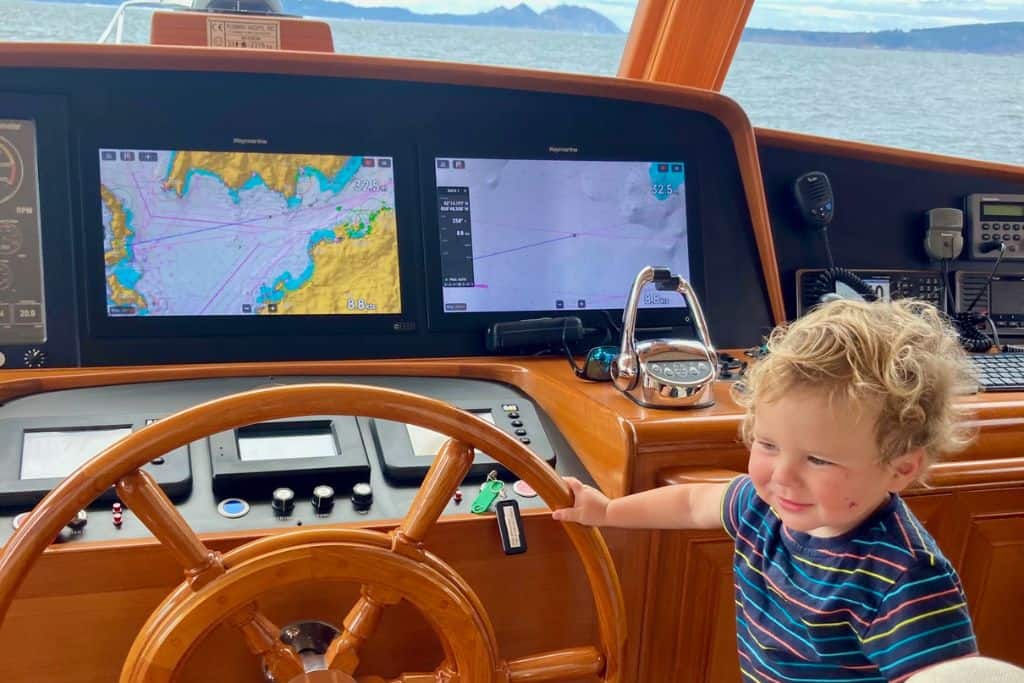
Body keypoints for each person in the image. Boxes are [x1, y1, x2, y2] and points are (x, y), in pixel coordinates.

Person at [553, 299, 980, 682]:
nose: (783, 476)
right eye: (768, 445)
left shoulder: (904, 577)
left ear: (900, 468)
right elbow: (691, 501)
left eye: (819, 459)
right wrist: (608, 511)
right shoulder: (763, 507)